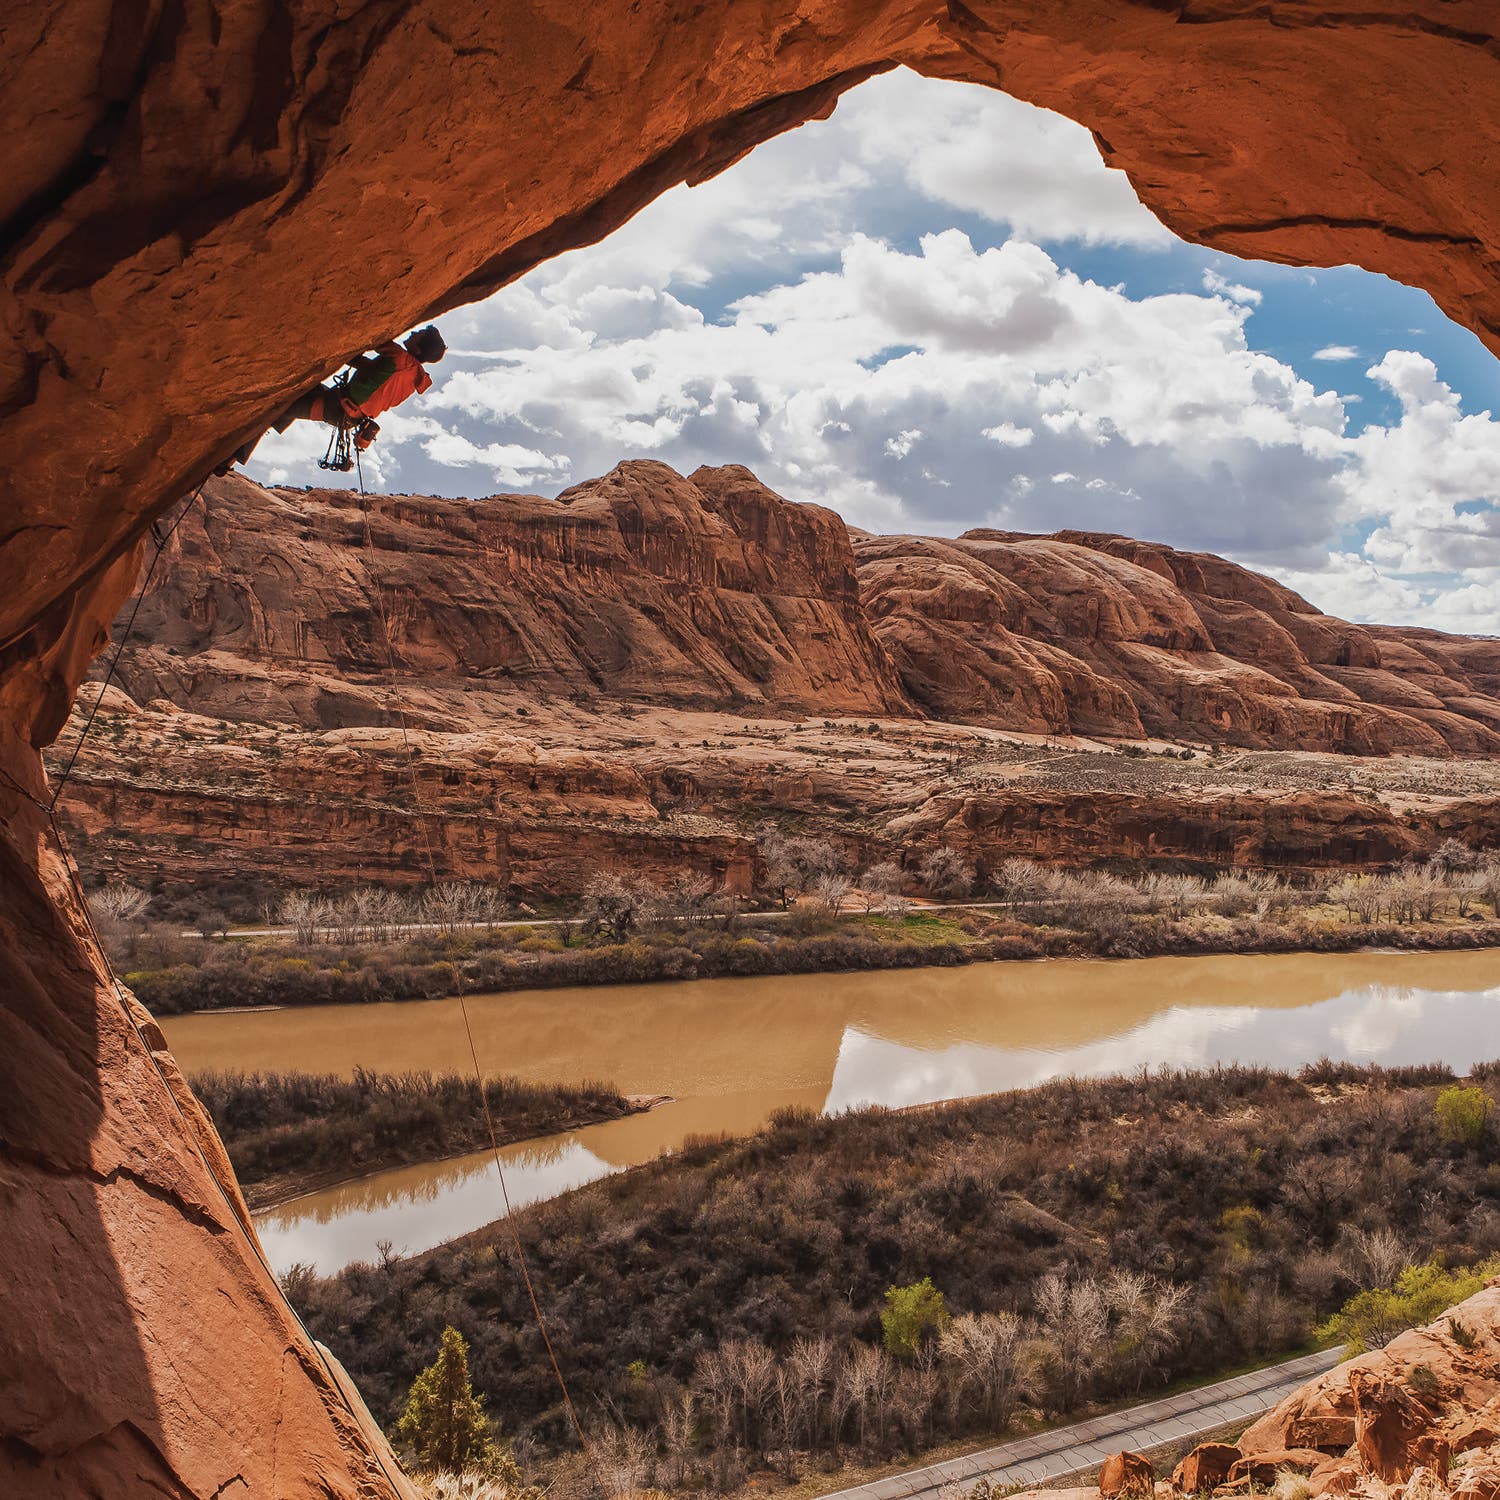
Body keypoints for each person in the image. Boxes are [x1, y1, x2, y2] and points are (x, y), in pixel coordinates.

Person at [223, 325, 446, 471]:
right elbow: (374, 374)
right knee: (298, 397)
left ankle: (230, 459)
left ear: (418, 348)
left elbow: (374, 337)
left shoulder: (400, 357)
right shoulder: (413, 378)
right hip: (346, 412)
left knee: (277, 408)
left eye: (419, 334)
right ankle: (235, 456)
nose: (414, 332)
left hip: (337, 406)